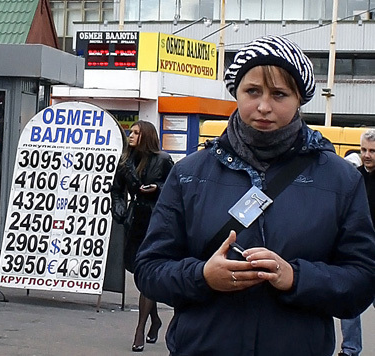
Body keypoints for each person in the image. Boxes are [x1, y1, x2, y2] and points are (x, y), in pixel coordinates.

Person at [134, 35, 375, 356]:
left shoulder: (341, 179)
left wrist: (296, 278)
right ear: (236, 92)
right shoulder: (189, 173)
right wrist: (202, 276)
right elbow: (149, 270)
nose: (264, 106)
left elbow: (362, 281)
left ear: (299, 99)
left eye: (279, 94)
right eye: (252, 91)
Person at [110, 120, 174, 352]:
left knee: (147, 270)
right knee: (138, 272)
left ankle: (140, 329)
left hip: (156, 221)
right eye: (131, 132)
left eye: (136, 132)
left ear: (146, 135)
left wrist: (157, 189)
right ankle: (155, 320)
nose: (131, 135)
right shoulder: (125, 161)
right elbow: (116, 190)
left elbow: (174, 187)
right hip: (134, 219)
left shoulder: (163, 160)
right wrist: (118, 210)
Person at [339, 130, 375, 356]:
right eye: (363, 150)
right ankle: (350, 350)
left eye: (372, 151)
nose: (366, 155)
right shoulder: (355, 178)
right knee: (349, 301)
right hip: (357, 251)